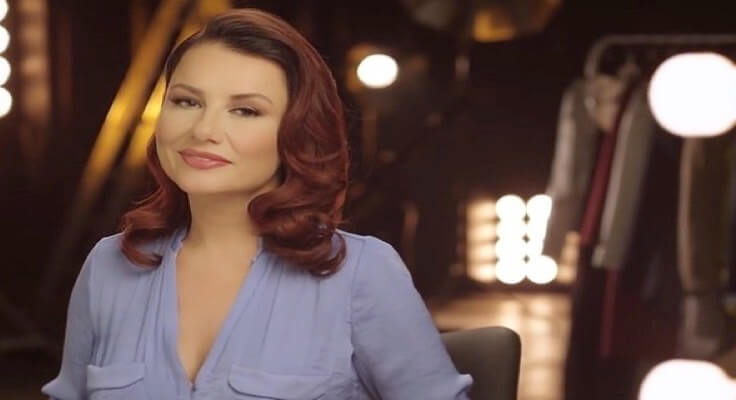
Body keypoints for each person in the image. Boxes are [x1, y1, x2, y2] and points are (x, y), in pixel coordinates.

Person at [42, 8, 472, 399]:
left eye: (245, 111)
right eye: (187, 102)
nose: (203, 130)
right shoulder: (110, 266)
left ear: (295, 135)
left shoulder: (361, 273)